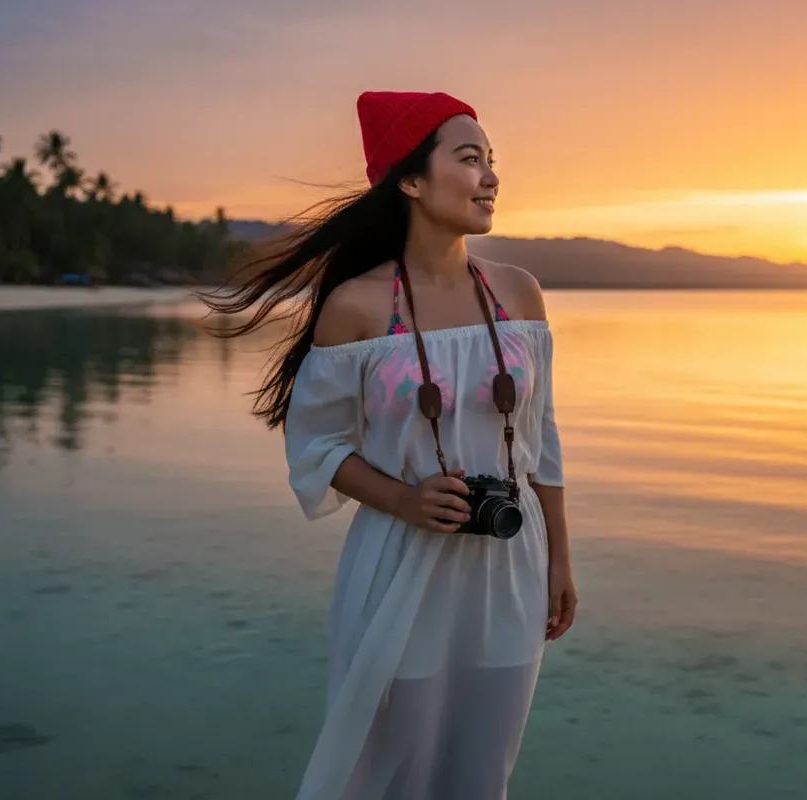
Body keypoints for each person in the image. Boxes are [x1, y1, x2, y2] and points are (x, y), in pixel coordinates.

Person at [199, 90, 578, 800]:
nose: (491, 175)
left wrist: (560, 557)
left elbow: (540, 439)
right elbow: (316, 447)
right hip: (402, 565)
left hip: (510, 567)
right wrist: (403, 498)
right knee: (382, 768)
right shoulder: (358, 307)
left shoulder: (519, 294)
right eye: (470, 159)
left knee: (481, 771)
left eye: (493, 160)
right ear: (409, 179)